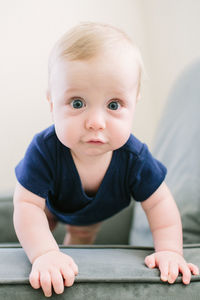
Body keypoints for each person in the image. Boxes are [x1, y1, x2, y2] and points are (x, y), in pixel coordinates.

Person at [13, 22, 199, 297]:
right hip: (52, 203)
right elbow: (26, 204)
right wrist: (45, 253)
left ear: (134, 103)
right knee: (40, 220)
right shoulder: (44, 149)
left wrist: (170, 251)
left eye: (113, 105)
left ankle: (73, 250)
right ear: (52, 104)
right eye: (77, 103)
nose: (96, 122)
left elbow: (160, 204)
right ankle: (55, 246)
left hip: (96, 210)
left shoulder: (134, 157)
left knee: (82, 235)